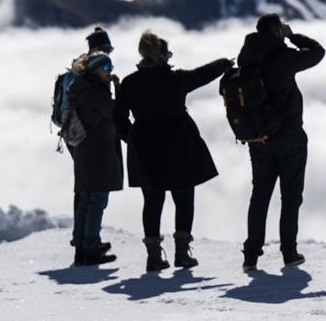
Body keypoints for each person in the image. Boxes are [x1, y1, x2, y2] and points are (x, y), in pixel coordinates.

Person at [113, 31, 232, 272]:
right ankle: (182, 253)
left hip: (146, 150)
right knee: (184, 201)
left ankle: (154, 257)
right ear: (163, 56)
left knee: (153, 202)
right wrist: (225, 63)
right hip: (180, 146)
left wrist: (132, 139)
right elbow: (203, 74)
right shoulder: (176, 79)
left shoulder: (129, 83)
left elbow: (118, 118)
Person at [238, 14, 325, 272]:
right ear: (276, 30)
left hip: (259, 140)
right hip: (290, 139)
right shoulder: (284, 57)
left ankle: (251, 255)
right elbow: (318, 52)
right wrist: (292, 35)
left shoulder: (247, 59)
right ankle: (289, 252)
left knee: (260, 195)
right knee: (290, 197)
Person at [66, 51, 124, 265]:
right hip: (98, 152)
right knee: (97, 199)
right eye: (106, 68)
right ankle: (91, 247)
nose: (110, 72)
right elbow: (116, 113)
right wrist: (119, 90)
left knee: (86, 199)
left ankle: (81, 246)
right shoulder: (96, 93)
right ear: (96, 69)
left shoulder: (80, 87)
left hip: (83, 150)